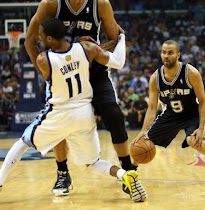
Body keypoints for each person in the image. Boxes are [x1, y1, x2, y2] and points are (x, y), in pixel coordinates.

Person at [0, 18, 147, 202]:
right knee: (92, 163)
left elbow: (37, 54)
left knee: (22, 143)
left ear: (51, 39)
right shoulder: (86, 48)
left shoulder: (43, 59)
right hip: (85, 113)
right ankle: (124, 175)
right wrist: (121, 38)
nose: (39, 37)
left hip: (60, 113)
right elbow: (118, 62)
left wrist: (32, 39)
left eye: (42, 35)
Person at [24, 0, 133, 196]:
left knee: (113, 114)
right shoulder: (50, 5)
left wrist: (91, 49)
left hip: (96, 71)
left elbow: (116, 39)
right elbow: (29, 40)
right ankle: (63, 172)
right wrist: (44, 73)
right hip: (62, 72)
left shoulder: (101, 4)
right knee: (59, 120)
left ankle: (129, 169)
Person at [134, 40, 205, 181]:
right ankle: (131, 170)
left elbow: (203, 102)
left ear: (178, 55)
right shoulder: (155, 78)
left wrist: (201, 128)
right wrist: (144, 130)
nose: (166, 56)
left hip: (192, 114)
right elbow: (152, 107)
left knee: (192, 140)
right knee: (144, 142)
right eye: (163, 52)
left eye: (170, 53)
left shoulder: (191, 73)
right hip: (171, 114)